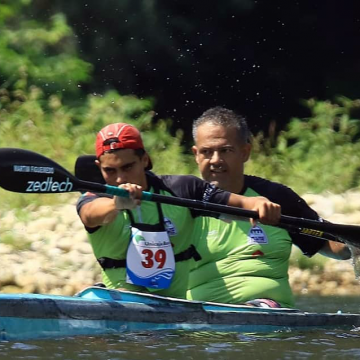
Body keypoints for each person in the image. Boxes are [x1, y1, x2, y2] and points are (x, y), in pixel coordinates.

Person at [76, 122, 281, 299]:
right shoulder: (95, 198)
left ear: (145, 160)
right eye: (110, 171)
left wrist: (259, 203)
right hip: (121, 302)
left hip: (174, 310)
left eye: (127, 167)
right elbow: (89, 215)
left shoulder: (183, 189)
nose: (120, 179)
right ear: (98, 166)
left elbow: (240, 203)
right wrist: (116, 203)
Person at [186, 106, 351, 308]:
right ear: (196, 154)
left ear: (245, 152)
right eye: (206, 152)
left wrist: (354, 248)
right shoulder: (182, 199)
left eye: (225, 150)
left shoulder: (278, 198)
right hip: (198, 318)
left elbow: (331, 245)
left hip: (267, 312)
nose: (215, 160)